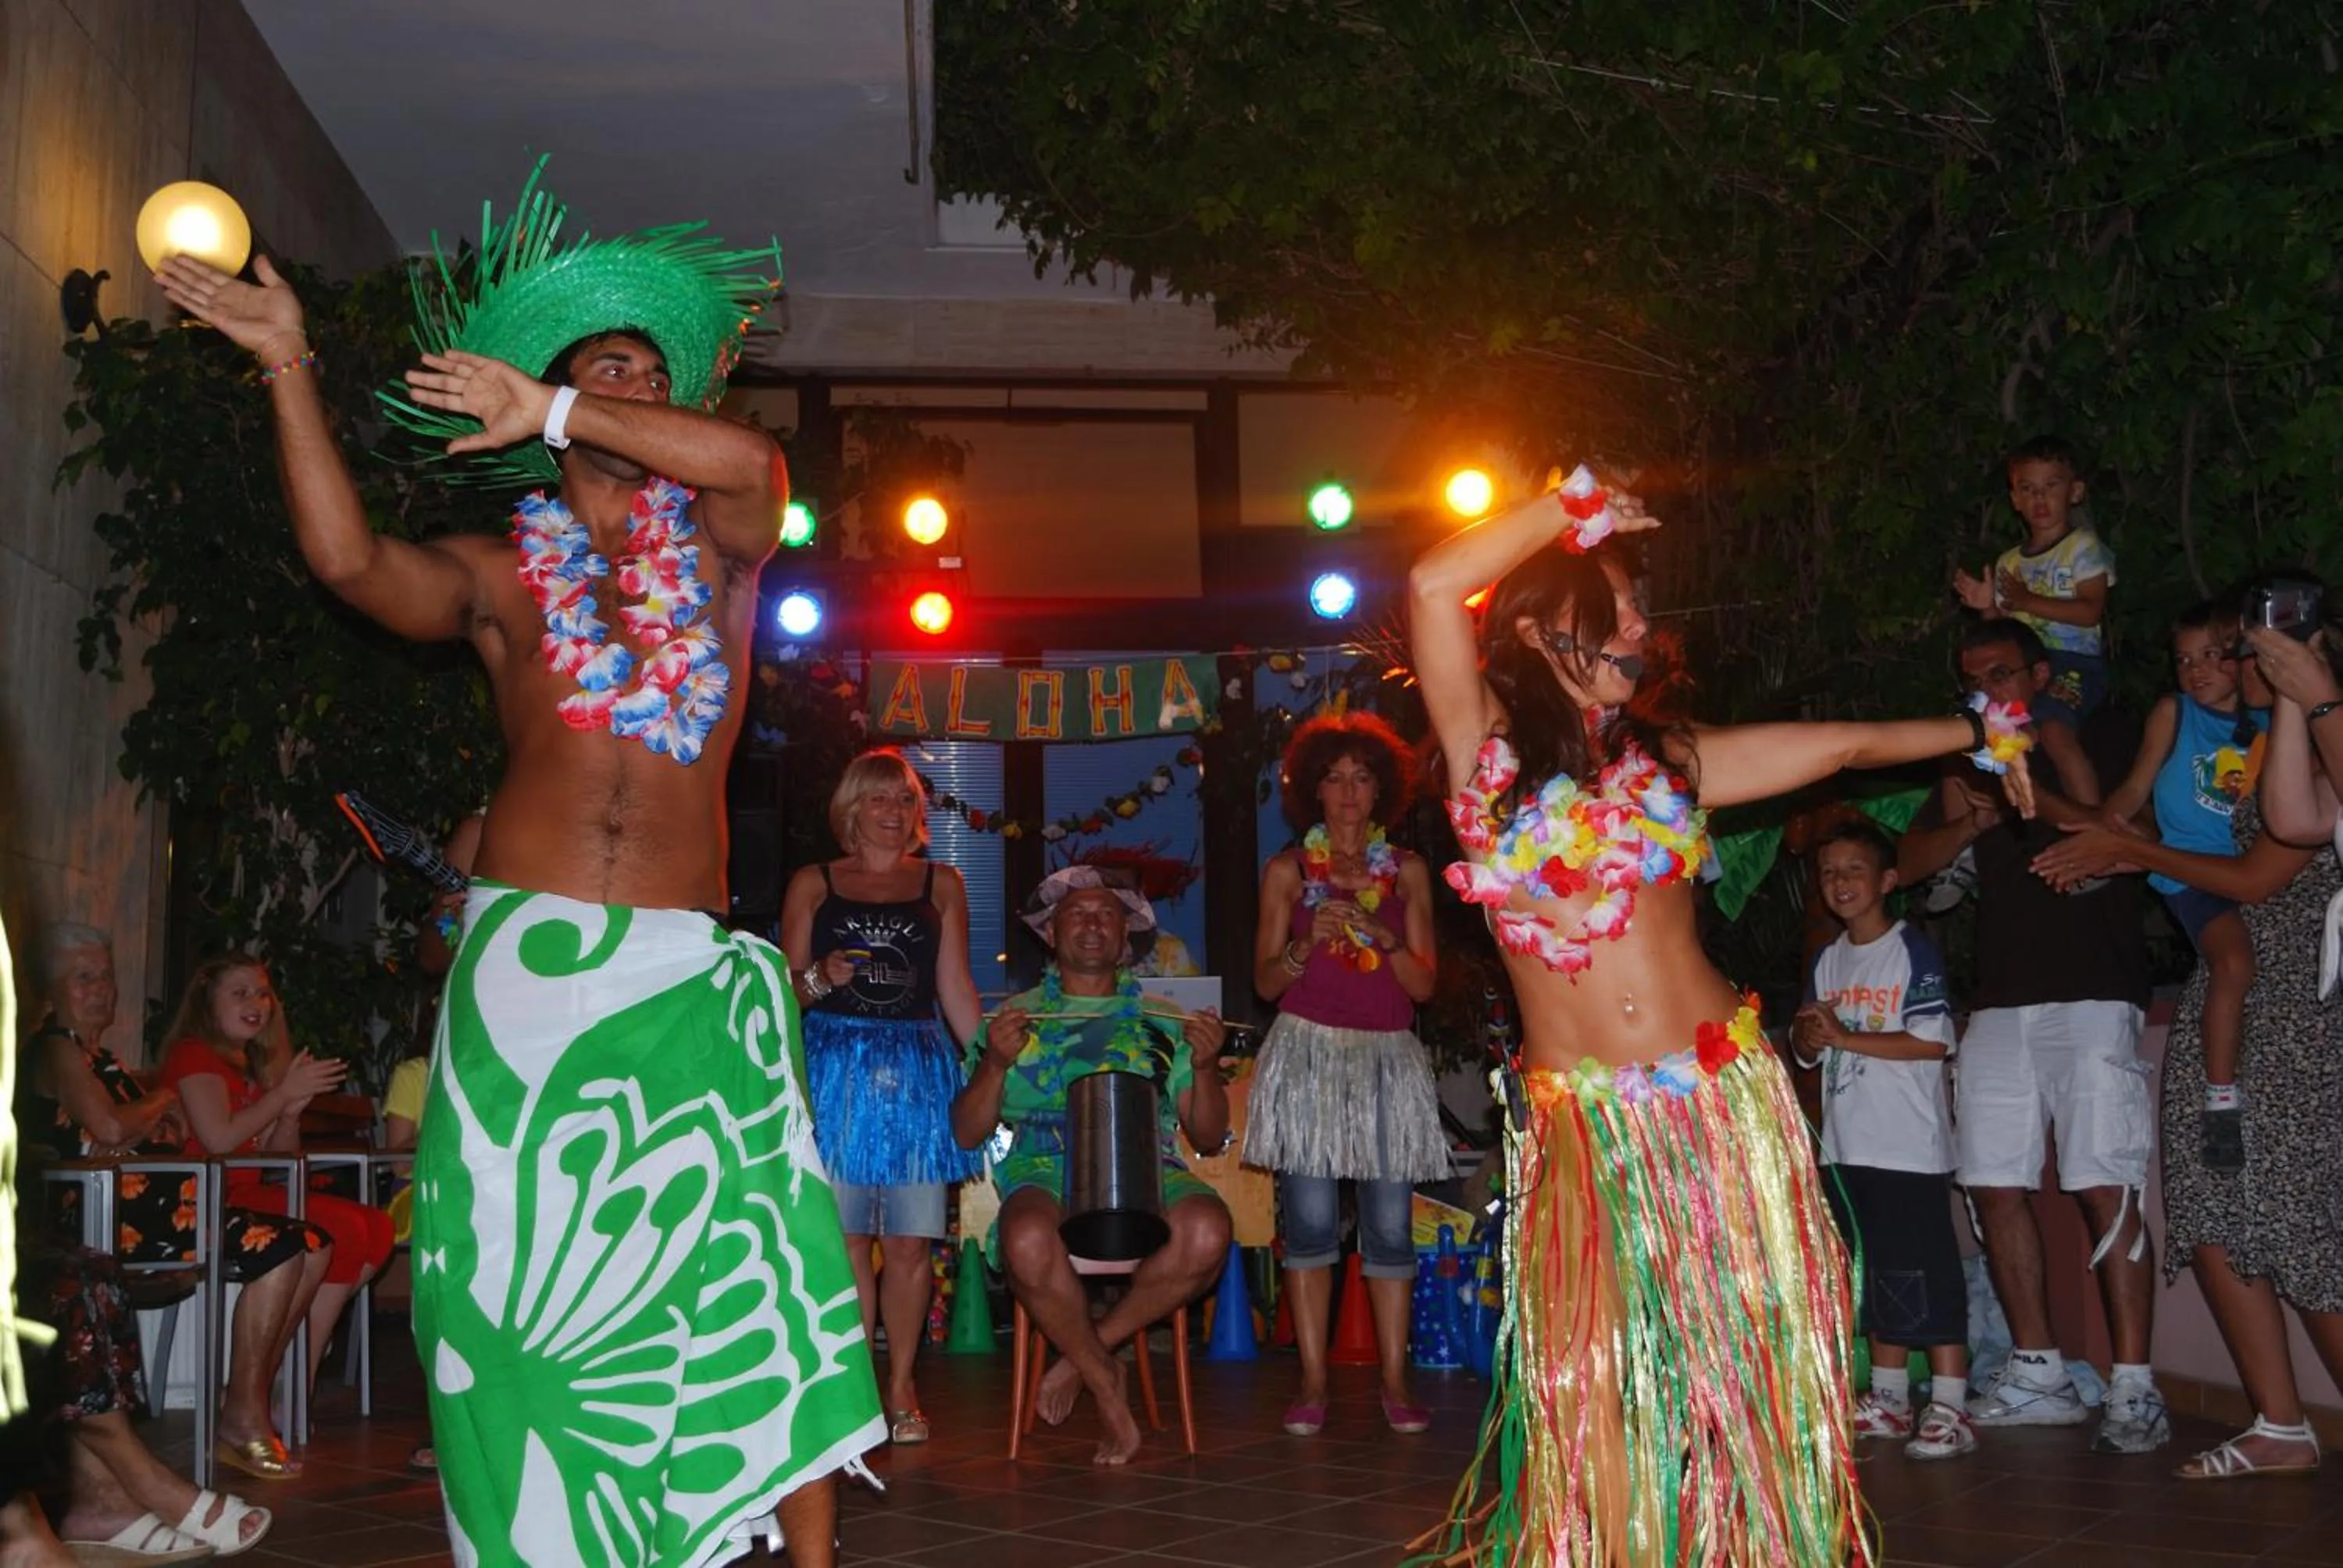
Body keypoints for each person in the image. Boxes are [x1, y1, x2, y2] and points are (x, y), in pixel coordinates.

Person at [152, 156, 883, 1567]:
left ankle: (806, 1555)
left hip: (684, 966)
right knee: (497, 1298)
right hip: (526, 974)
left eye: (643, 376)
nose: (623, 390)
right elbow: (350, 562)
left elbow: (759, 470)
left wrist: (551, 393)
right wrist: (289, 365)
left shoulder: (726, 564)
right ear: (547, 439)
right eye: (593, 374)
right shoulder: (499, 576)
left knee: (760, 1268)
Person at [1404, 467, 2031, 1566]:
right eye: (1619, 605)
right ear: (1552, 626)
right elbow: (1432, 576)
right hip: (1584, 1129)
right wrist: (1573, 507)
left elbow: (1837, 745)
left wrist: (1981, 730)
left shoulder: (1670, 765)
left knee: (1734, 1367)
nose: (1644, 626)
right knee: (1590, 1376)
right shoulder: (1482, 762)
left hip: (1715, 1108)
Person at [2037, 615, 2343, 1480]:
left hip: (2298, 1016)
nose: (2227, 666)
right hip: (2229, 1005)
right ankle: (2280, 1423)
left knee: (2297, 1223)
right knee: (2211, 1208)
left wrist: (2131, 850)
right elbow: (2129, 823)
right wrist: (2046, 801)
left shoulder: (2323, 752)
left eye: (2243, 650)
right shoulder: (2228, 748)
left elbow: (2255, 877)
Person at [1898, 618, 2167, 1454]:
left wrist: (2031, 774)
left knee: (2102, 1178)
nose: (1986, 691)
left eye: (2002, 672)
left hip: (2094, 988)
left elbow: (2137, 840)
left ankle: (2134, 1386)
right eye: (1971, 678)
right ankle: (2039, 1370)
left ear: (2041, 672)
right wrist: (1974, 822)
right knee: (1991, 1182)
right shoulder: (1964, 756)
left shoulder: (2100, 731)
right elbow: (1907, 865)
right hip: (2003, 1000)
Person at [20, 925, 334, 1483]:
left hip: (154, 1209)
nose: (100, 990)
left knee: (310, 1245)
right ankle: (240, 1415)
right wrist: (161, 1100)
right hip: (104, 1216)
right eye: (84, 978)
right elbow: (113, 1125)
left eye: (106, 978)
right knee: (292, 1246)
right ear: (49, 990)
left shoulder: (101, 1060)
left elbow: (144, 1132)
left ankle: (248, 1401)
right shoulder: (56, 1048)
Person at [950, 868, 1233, 1466]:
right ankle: (1109, 1385)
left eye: (1107, 913)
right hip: (1045, 1163)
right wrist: (996, 1065)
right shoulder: (1013, 1020)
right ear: (1050, 934)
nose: (1092, 923)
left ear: (1125, 939)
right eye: (1076, 913)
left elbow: (1207, 1135)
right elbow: (967, 1131)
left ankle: (1084, 1359)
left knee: (1208, 1229)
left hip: (1147, 1161)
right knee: (1027, 1237)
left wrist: (1206, 1068)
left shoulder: (1164, 1020)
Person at [1246, 711, 1446, 1437]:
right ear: (1313, 791)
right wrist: (1307, 949)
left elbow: (1423, 988)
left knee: (1391, 1228)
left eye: (1363, 778)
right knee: (1310, 1225)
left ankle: (1395, 1381)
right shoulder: (1288, 872)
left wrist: (1388, 939)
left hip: (1387, 1059)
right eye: (1334, 778)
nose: (1349, 792)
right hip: (1307, 1056)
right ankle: (1312, 1381)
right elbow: (1267, 982)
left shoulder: (1411, 872)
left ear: (1382, 790)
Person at [780, 749, 984, 1446]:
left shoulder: (943, 883)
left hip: (917, 1073)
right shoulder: (812, 882)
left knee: (908, 1246)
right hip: (835, 1070)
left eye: (903, 801)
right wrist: (820, 980)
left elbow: (954, 988)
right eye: (878, 800)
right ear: (850, 810)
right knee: (844, 1243)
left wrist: (992, 1062)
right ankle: (854, 1387)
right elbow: (786, 992)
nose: (893, 814)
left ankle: (901, 1384)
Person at [1790, 821, 1973, 1462]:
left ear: (1888, 882)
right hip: (1847, 1148)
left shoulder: (1910, 949)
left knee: (1928, 1270)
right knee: (1875, 1272)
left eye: (1854, 870)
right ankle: (1890, 1397)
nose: (1839, 883)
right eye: (1829, 872)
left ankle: (1951, 1401)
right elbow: (1812, 1043)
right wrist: (1810, 1043)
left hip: (1907, 1148)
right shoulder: (1828, 958)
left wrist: (1840, 1038)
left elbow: (1931, 1041)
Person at [156, 958, 395, 1399]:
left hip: (245, 1191)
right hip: (205, 1197)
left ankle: (288, 1366)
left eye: (262, 993)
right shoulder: (194, 1054)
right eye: (240, 992)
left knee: (376, 1226)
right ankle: (289, 1382)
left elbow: (277, 1156)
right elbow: (220, 1140)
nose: (256, 1003)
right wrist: (283, 1093)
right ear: (208, 1002)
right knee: (342, 1226)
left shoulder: (247, 1063)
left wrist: (290, 1111)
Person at [2098, 599, 2266, 1169]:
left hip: (2257, 866)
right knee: (2234, 962)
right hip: (2187, 868)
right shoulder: (2175, 713)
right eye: (2184, 660)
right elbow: (2135, 785)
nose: (2196, 671)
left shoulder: (2271, 720)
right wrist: (2104, 832)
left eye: (2211, 657)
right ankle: (2221, 1101)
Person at [1954, 435, 2115, 804]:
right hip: (2024, 667)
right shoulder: (2010, 562)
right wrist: (1985, 607)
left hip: (2075, 665)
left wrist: (2029, 599)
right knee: (1985, 728)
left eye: (2050, 486)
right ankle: (2011, 807)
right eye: (2027, 489)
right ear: (2014, 499)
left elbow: (2090, 610)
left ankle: (2094, 824)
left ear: (2074, 492)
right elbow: (2007, 631)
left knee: (2055, 731)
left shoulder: (2083, 548)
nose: (2039, 498)